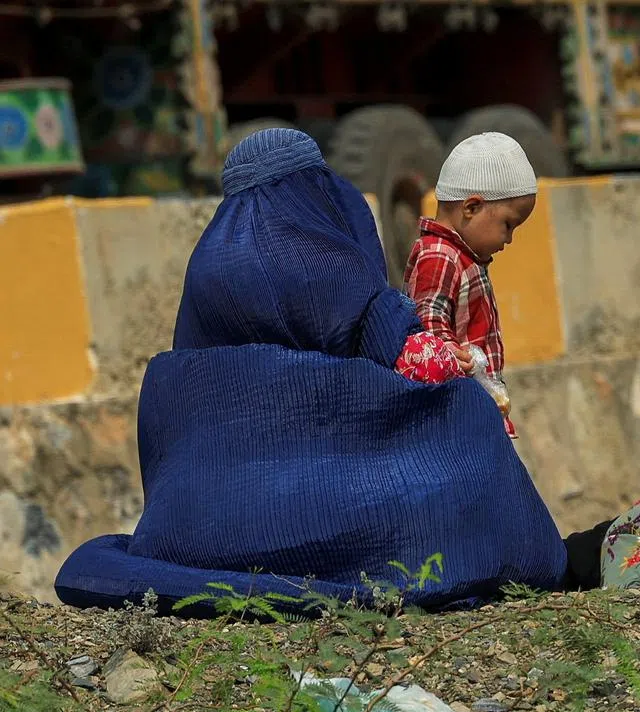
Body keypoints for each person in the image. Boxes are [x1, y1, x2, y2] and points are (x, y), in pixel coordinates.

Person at [54, 128, 567, 616]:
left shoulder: (210, 261)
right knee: (463, 415)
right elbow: (392, 348)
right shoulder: (313, 251)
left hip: (193, 520)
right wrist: (457, 371)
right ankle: (514, 555)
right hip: (307, 501)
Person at [404, 132, 538, 438]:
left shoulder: (464, 258)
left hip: (473, 403)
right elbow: (428, 320)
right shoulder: (440, 256)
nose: (509, 239)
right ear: (471, 207)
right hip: (453, 406)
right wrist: (449, 353)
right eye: (508, 224)